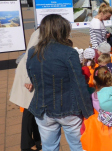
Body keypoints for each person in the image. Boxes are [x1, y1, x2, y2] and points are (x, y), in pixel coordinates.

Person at [26, 14, 93, 151]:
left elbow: (33, 78)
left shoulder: (33, 52)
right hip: (68, 109)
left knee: (49, 148)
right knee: (78, 146)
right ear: (62, 30)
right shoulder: (68, 52)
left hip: (42, 108)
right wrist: (89, 114)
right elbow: (79, 85)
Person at [9, 29, 41, 151]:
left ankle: (36, 139)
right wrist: (28, 79)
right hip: (29, 75)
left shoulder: (41, 32)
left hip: (31, 73)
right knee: (28, 111)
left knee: (33, 110)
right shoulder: (41, 33)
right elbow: (30, 54)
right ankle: (26, 144)